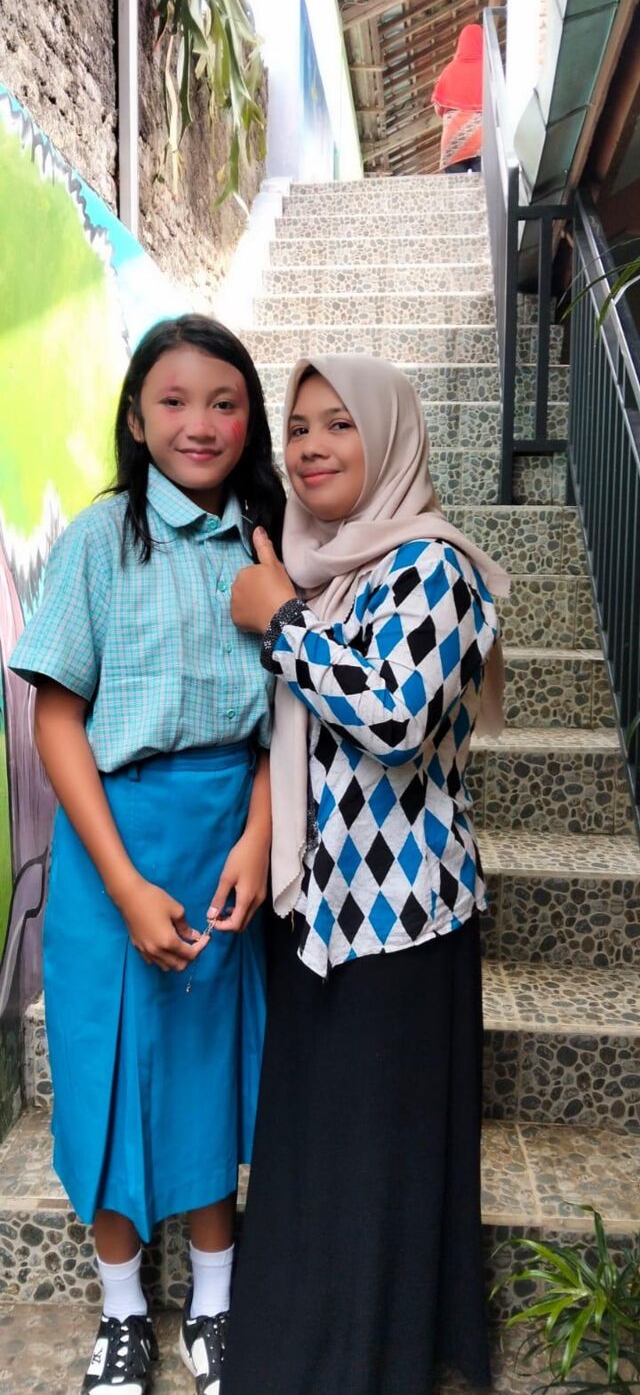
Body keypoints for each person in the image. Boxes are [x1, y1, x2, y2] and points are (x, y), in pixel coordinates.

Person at [223, 353, 510, 1395]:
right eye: (298, 427)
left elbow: (392, 717)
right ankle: (300, 1354)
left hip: (399, 922)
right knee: (317, 1154)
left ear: (389, 437)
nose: (311, 448)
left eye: (339, 424)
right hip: (314, 915)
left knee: (377, 1163)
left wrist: (280, 623)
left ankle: (370, 1363)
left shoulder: (437, 568)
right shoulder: (318, 568)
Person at [10, 315, 285, 1395]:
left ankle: (215, 1303)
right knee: (104, 1077)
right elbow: (56, 720)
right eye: (173, 401)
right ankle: (122, 1312)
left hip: (226, 845)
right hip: (109, 850)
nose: (199, 423)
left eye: (224, 401)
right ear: (136, 417)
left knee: (210, 1074)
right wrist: (123, 885)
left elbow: (283, 722)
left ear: (249, 419)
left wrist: (259, 837)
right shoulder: (99, 538)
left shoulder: (269, 544)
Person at [432, 23, 484, 173]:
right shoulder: (489, 70)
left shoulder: (449, 71)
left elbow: (438, 108)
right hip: (481, 139)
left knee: (455, 182)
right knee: (484, 185)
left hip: (453, 140)